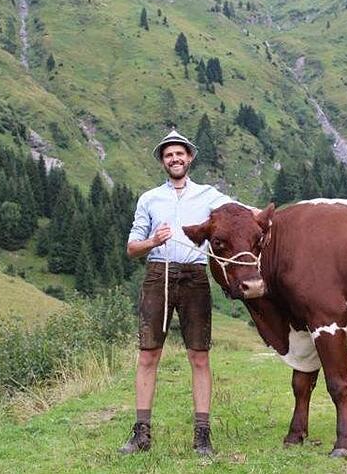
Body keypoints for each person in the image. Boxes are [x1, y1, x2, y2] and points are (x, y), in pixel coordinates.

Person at [119, 130, 234, 456]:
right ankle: (141, 434)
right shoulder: (149, 199)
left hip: (196, 277)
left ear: (190, 157)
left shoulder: (210, 196)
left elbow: (239, 215)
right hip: (158, 275)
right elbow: (131, 247)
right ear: (162, 161)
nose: (175, 159)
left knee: (199, 357)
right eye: (169, 155)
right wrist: (153, 241)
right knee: (148, 355)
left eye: (179, 154)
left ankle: (202, 436)